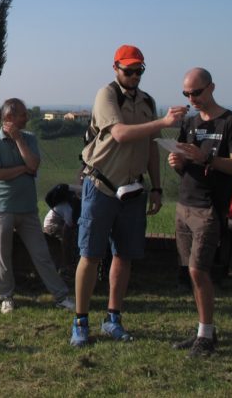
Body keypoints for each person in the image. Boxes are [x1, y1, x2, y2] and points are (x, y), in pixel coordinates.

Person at [70, 45, 187, 347]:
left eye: (139, 70)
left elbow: (151, 145)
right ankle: (80, 321)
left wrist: (157, 187)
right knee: (91, 255)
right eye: (129, 70)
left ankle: (113, 318)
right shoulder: (106, 95)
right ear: (115, 68)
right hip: (101, 186)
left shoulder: (146, 101)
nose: (134, 76)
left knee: (124, 255)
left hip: (134, 189)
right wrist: (162, 123)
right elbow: (120, 133)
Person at [168, 68, 232, 357]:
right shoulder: (188, 123)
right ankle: (203, 331)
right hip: (184, 203)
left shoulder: (231, 122)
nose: (192, 98)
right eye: (186, 94)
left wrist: (206, 158)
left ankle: (206, 336)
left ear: (212, 87)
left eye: (196, 92)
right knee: (191, 272)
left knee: (198, 270)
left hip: (209, 208)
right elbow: (184, 165)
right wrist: (176, 162)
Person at [0, 98, 73, 314]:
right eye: (23, 115)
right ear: (9, 118)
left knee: (41, 254)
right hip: (1, 208)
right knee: (2, 255)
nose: (27, 118)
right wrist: (22, 169)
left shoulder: (30, 139)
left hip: (27, 209)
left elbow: (33, 164)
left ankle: (61, 297)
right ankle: (7, 297)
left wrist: (18, 141)